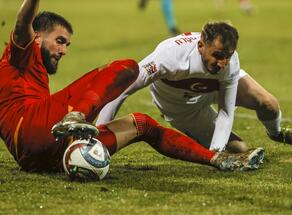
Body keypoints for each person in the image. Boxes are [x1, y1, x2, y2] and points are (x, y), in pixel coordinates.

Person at [0, 0, 264, 173]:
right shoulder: (20, 52)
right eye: (59, 41)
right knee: (127, 67)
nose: (64, 50)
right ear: (36, 37)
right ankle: (77, 117)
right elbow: (22, 22)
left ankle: (216, 160)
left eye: (67, 44)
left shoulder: (7, 83)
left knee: (143, 124)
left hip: (45, 157)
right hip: (38, 129)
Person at [96, 21, 292, 153]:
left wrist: (216, 154)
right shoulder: (169, 56)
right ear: (200, 46)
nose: (223, 63)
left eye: (228, 56)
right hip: (180, 107)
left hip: (211, 90)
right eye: (217, 55)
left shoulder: (228, 62)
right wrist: (100, 135)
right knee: (238, 149)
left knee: (269, 103)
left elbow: (226, 112)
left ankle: (276, 133)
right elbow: (121, 90)